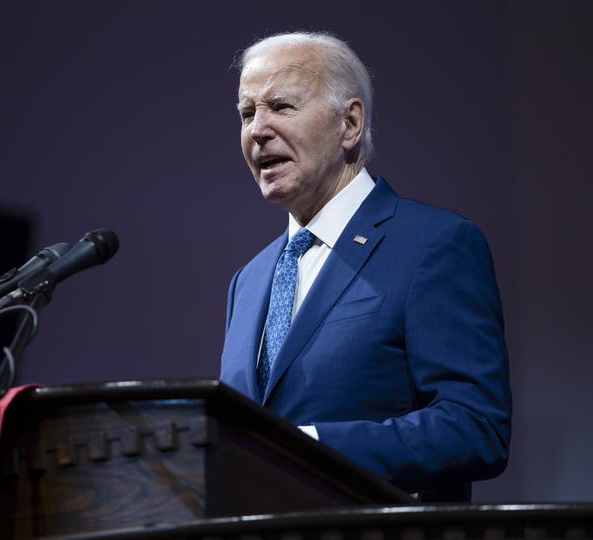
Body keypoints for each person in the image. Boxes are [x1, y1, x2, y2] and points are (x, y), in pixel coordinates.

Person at [219, 31, 511, 501]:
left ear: (349, 124)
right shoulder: (248, 282)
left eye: (281, 107)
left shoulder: (433, 245)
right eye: (247, 113)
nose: (257, 130)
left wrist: (305, 448)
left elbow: (475, 427)